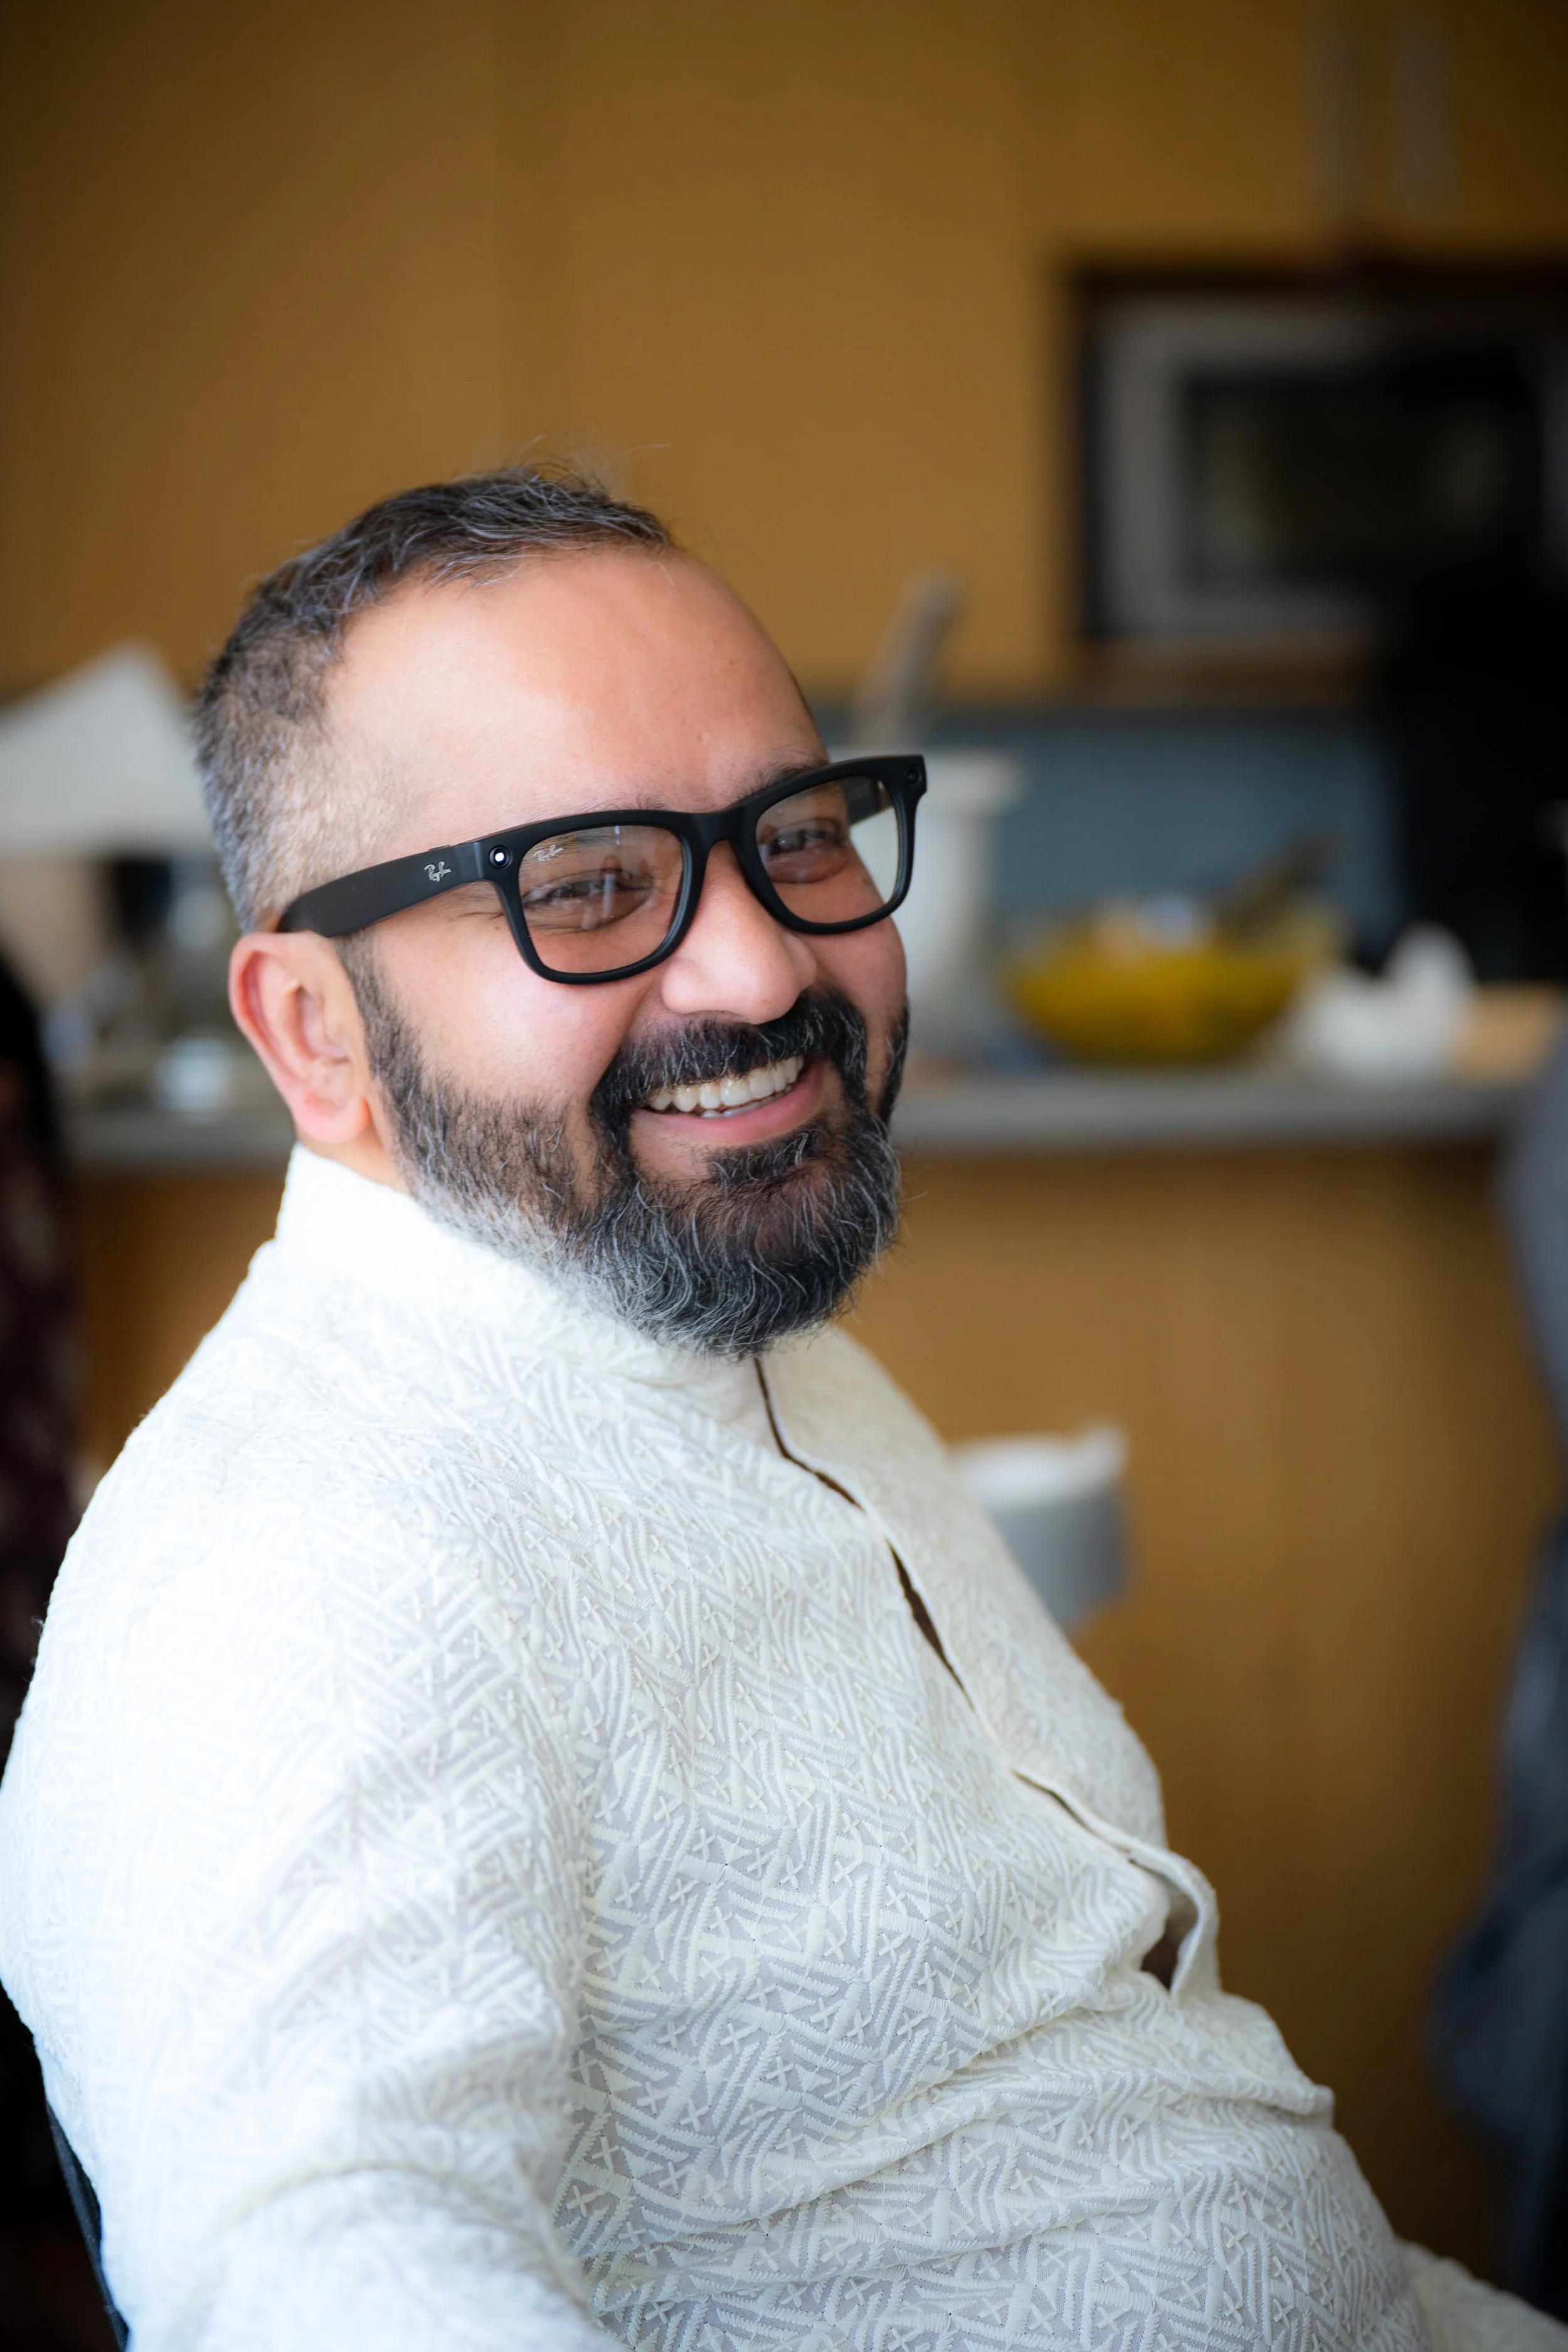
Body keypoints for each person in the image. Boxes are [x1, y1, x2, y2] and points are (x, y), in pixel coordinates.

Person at [0, 472, 1559, 2352]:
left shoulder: (721, 1321)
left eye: (798, 836)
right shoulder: (293, 1572)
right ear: (315, 1033)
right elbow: (311, 2272)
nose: (760, 967)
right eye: (586, 886)